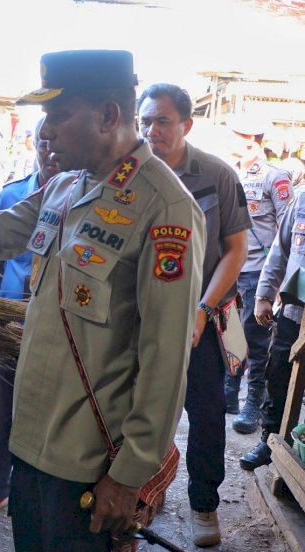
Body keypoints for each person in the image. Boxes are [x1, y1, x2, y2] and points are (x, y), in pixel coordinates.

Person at [0, 50, 205, 551]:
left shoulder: (166, 208)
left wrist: (131, 473)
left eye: (59, 114)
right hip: (30, 442)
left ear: (110, 115)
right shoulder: (67, 187)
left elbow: (166, 359)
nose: (46, 130)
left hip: (89, 460)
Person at [137, 83, 250, 547]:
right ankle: (143, 493)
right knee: (140, 408)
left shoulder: (217, 175)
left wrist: (202, 309)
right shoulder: (132, 175)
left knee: (206, 414)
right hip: (146, 318)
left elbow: (236, 250)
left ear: (186, 124)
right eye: (144, 121)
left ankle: (203, 503)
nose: (151, 130)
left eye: (161, 121)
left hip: (207, 319)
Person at [0, 116, 61, 525]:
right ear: (33, 144)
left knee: (54, 411)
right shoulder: (13, 194)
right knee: (3, 407)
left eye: (56, 141)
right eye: (43, 141)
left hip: (61, 325)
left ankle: (41, 493)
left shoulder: (91, 199)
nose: (50, 150)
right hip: (12, 318)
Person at [226, 117, 292, 434]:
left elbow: (288, 232)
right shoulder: (229, 173)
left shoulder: (274, 178)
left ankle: (253, 402)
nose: (230, 141)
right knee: (229, 331)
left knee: (257, 340)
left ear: (251, 139)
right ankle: (229, 394)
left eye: (235, 136)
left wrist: (278, 283)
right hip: (229, 269)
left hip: (258, 272)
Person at [240, 184, 305, 471]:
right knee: (277, 375)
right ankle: (269, 442)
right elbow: (280, 251)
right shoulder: (302, 198)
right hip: (293, 313)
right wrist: (264, 295)